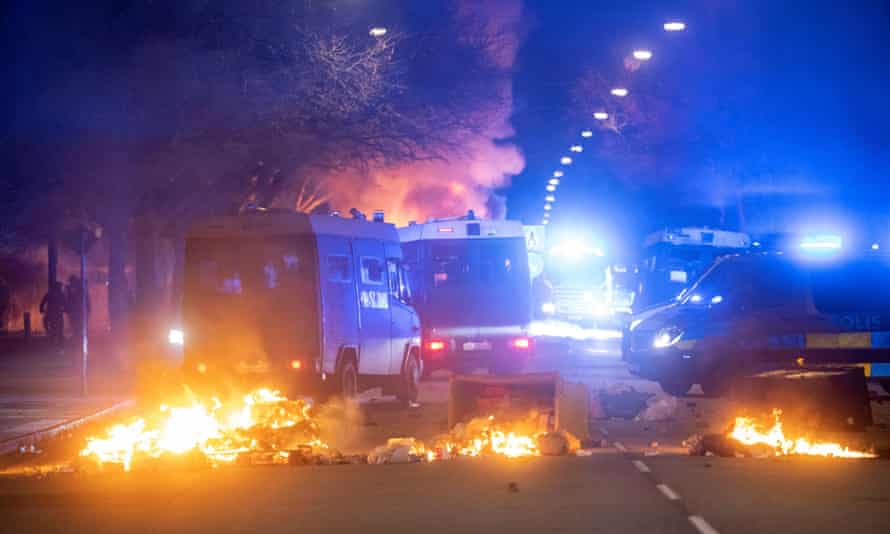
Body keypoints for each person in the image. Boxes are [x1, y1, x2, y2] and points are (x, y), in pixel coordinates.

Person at [65, 275, 90, 342]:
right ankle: (76, 337)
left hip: (78, 312)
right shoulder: (77, 289)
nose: (70, 284)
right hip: (76, 311)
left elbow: (75, 300)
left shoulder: (79, 290)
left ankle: (77, 337)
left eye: (71, 282)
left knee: (77, 324)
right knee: (75, 324)